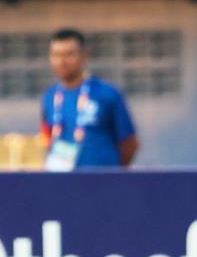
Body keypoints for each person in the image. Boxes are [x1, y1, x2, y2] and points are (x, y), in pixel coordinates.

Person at [42, 28, 139, 171]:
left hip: (103, 184)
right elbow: (47, 137)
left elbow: (129, 143)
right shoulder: (50, 97)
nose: (61, 61)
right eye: (56, 55)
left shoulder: (107, 93)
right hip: (63, 183)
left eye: (69, 54)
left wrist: (115, 174)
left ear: (84, 56)